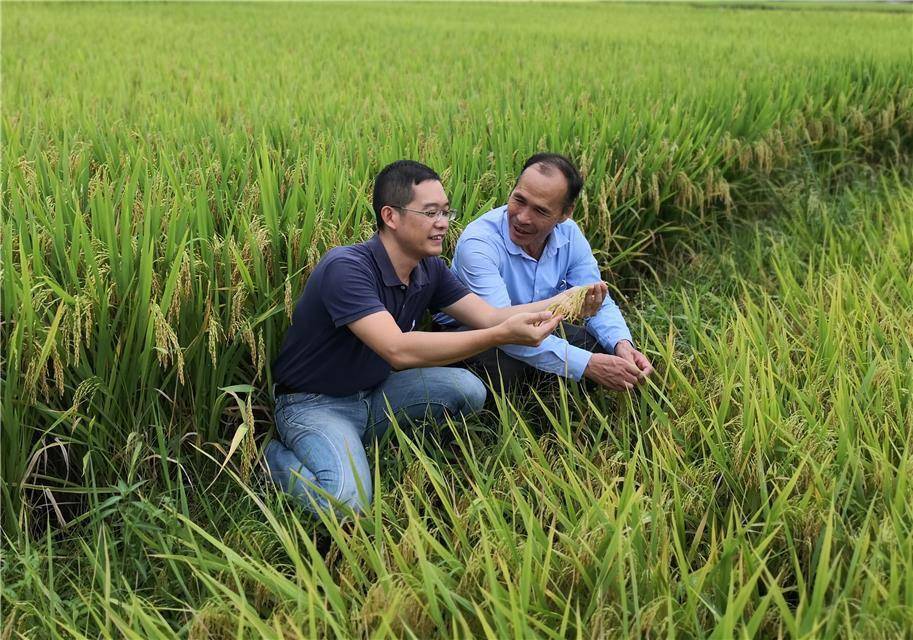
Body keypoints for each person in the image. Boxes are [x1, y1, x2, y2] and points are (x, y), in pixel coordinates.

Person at [265, 160, 606, 516]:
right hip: (315, 405)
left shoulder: (429, 270)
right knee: (346, 507)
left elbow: (489, 315)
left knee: (469, 390)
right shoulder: (346, 268)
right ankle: (273, 459)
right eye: (430, 213)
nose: (443, 223)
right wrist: (498, 335)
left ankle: (357, 443)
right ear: (391, 216)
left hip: (376, 393)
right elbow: (397, 350)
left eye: (445, 211)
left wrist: (567, 302)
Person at [435, 153, 654, 391]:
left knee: (598, 347)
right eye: (519, 200)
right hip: (475, 332)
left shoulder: (569, 234)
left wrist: (621, 344)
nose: (522, 217)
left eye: (540, 211)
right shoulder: (479, 243)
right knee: (507, 370)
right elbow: (500, 326)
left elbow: (596, 300)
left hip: (539, 325)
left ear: (565, 213)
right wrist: (587, 365)